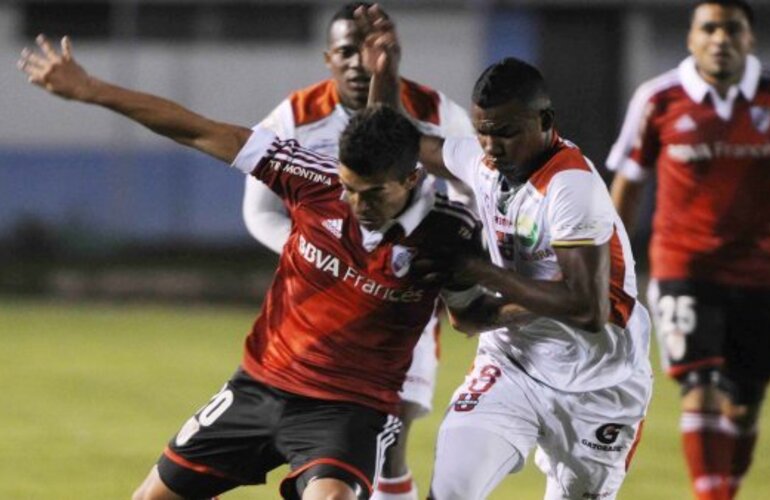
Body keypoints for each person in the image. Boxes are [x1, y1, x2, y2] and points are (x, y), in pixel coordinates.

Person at [17, 34, 482, 500]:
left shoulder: (449, 234)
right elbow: (196, 129)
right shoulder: (310, 180)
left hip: (347, 411)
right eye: (349, 188)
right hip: (259, 387)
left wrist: (520, 296)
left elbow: (471, 313)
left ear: (412, 178)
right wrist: (91, 89)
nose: (357, 204)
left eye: (373, 194)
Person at [358, 7, 652, 499]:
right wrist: (384, 75)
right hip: (513, 365)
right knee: (450, 492)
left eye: (507, 131)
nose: (491, 145)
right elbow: (394, 142)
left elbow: (588, 306)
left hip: (601, 384)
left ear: (545, 121)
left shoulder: (570, 187)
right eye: (483, 130)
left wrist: (480, 285)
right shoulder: (483, 159)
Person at [242, 4, 474, 498]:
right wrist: (315, 250)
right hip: (315, 307)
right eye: (346, 51)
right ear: (329, 57)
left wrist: (451, 254)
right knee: (354, 444)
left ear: (389, 55)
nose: (357, 62)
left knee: (388, 442)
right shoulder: (296, 115)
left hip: (399, 301)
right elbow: (259, 210)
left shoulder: (434, 114)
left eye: (369, 51)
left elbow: (475, 187)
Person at [606, 1, 770, 498]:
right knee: (700, 383)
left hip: (760, 274)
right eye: (709, 28)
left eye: (731, 29)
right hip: (683, 267)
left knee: (743, 405)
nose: (720, 38)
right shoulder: (659, 99)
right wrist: (614, 267)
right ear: (691, 39)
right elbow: (629, 182)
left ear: (750, 39)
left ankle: (725, 485)